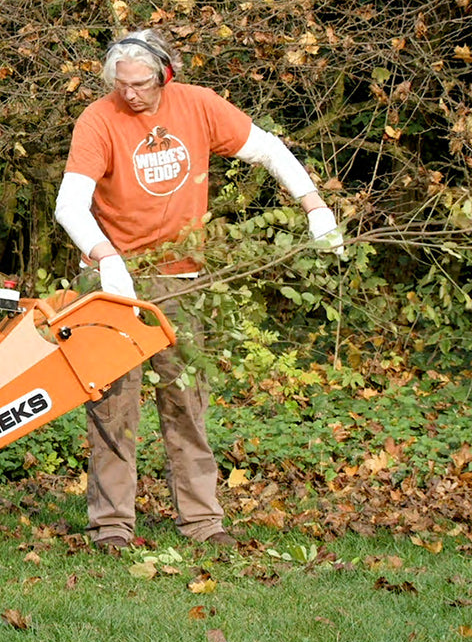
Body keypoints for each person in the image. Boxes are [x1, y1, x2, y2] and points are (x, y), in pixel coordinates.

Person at [54, 28, 340, 551]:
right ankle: (112, 527)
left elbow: (269, 149)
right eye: (122, 84)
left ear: (165, 74)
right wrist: (106, 258)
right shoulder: (98, 119)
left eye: (141, 83)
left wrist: (315, 206)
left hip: (184, 279)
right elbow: (69, 205)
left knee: (187, 401)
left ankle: (203, 523)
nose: (131, 94)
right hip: (113, 282)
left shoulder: (200, 107)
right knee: (114, 405)